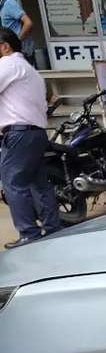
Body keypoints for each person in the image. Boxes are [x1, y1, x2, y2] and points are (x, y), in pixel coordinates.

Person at [0, 29, 60, 249]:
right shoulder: (32, 72)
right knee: (39, 183)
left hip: (18, 134)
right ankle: (53, 228)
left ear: (5, 46)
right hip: (36, 133)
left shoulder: (7, 64)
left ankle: (29, 233)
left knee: (14, 184)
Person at [0, 0, 33, 66]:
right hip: (11, 53)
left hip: (20, 52)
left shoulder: (9, 3)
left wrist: (16, 41)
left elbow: (28, 23)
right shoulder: (3, 5)